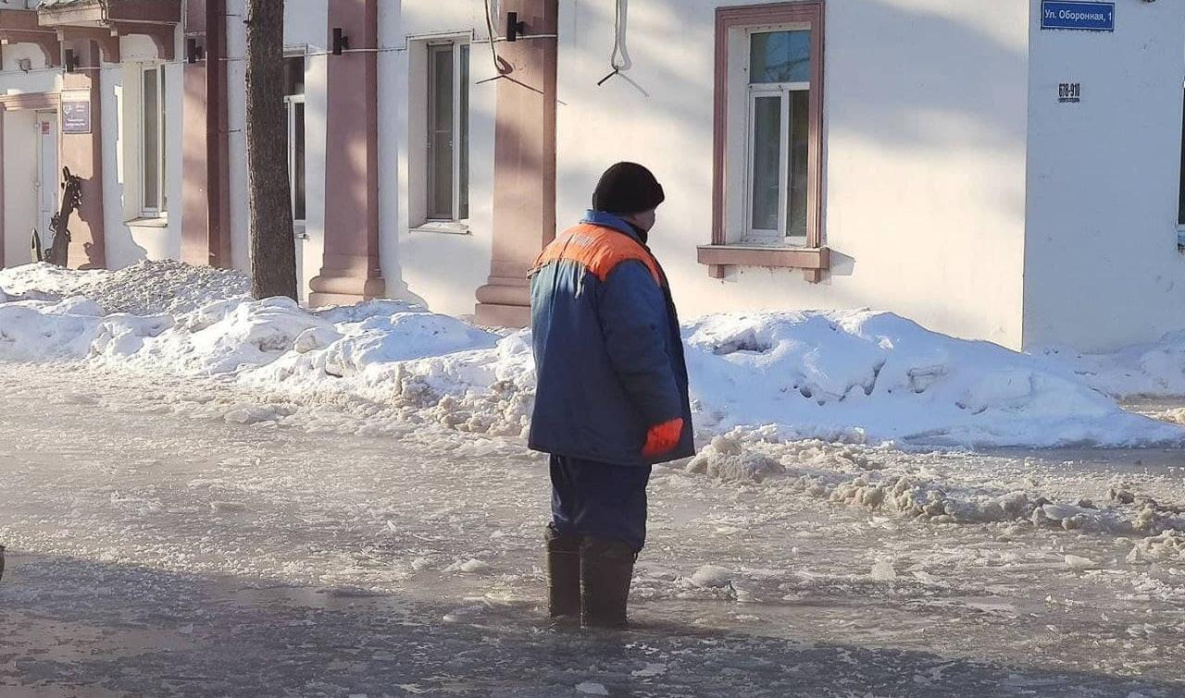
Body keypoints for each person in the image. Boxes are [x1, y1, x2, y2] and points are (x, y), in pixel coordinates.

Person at [528, 162, 695, 629]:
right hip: (610, 425)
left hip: (562, 417)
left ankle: (564, 618)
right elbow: (639, 346)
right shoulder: (623, 258)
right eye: (653, 208)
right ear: (639, 210)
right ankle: (602, 630)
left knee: (570, 519)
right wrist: (664, 414)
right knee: (612, 524)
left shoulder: (561, 247)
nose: (655, 219)